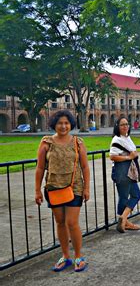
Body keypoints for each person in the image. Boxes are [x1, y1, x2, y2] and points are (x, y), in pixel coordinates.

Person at [35, 110, 90, 272]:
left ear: (71, 124)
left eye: (66, 123)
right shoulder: (46, 143)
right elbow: (39, 168)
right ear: (54, 124)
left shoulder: (78, 143)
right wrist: (37, 190)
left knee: (71, 223)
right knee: (60, 223)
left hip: (75, 187)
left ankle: (79, 256)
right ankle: (66, 256)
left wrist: (87, 188)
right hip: (54, 187)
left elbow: (85, 167)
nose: (63, 126)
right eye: (60, 123)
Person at [110, 116, 140, 233]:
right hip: (122, 171)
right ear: (117, 127)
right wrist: (129, 157)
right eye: (122, 124)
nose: (125, 126)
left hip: (130, 172)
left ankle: (123, 219)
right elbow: (112, 156)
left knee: (136, 195)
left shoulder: (127, 138)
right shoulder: (117, 140)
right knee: (125, 197)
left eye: (127, 124)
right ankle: (124, 221)